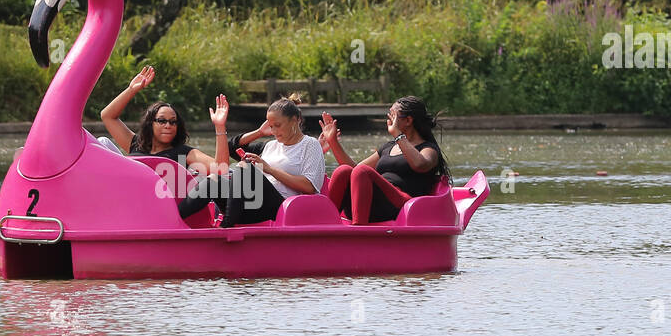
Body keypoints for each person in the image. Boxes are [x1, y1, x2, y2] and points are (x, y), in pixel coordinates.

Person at [178, 97, 326, 227]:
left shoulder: (310, 145)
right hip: (252, 206)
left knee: (244, 167)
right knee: (214, 180)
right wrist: (259, 132)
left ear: (295, 120)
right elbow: (232, 148)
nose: (273, 131)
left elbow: (310, 187)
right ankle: (175, 219)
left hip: (285, 207)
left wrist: (270, 170)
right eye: (271, 126)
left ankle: (226, 225)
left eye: (278, 125)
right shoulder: (270, 145)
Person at [321, 96, 451, 224]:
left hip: (402, 206)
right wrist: (332, 141)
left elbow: (420, 164)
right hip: (371, 203)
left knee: (363, 171)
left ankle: (359, 233)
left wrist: (398, 135)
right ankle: (324, 224)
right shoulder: (388, 147)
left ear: (408, 120)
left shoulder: (428, 149)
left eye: (393, 115)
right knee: (343, 171)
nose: (389, 119)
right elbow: (354, 171)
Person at [100, 65, 229, 174]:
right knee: (102, 142)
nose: (168, 125)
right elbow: (107, 116)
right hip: (129, 194)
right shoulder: (136, 145)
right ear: (150, 124)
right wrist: (131, 90)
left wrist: (220, 126)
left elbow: (221, 170)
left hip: (161, 201)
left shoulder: (183, 153)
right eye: (162, 121)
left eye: (173, 122)